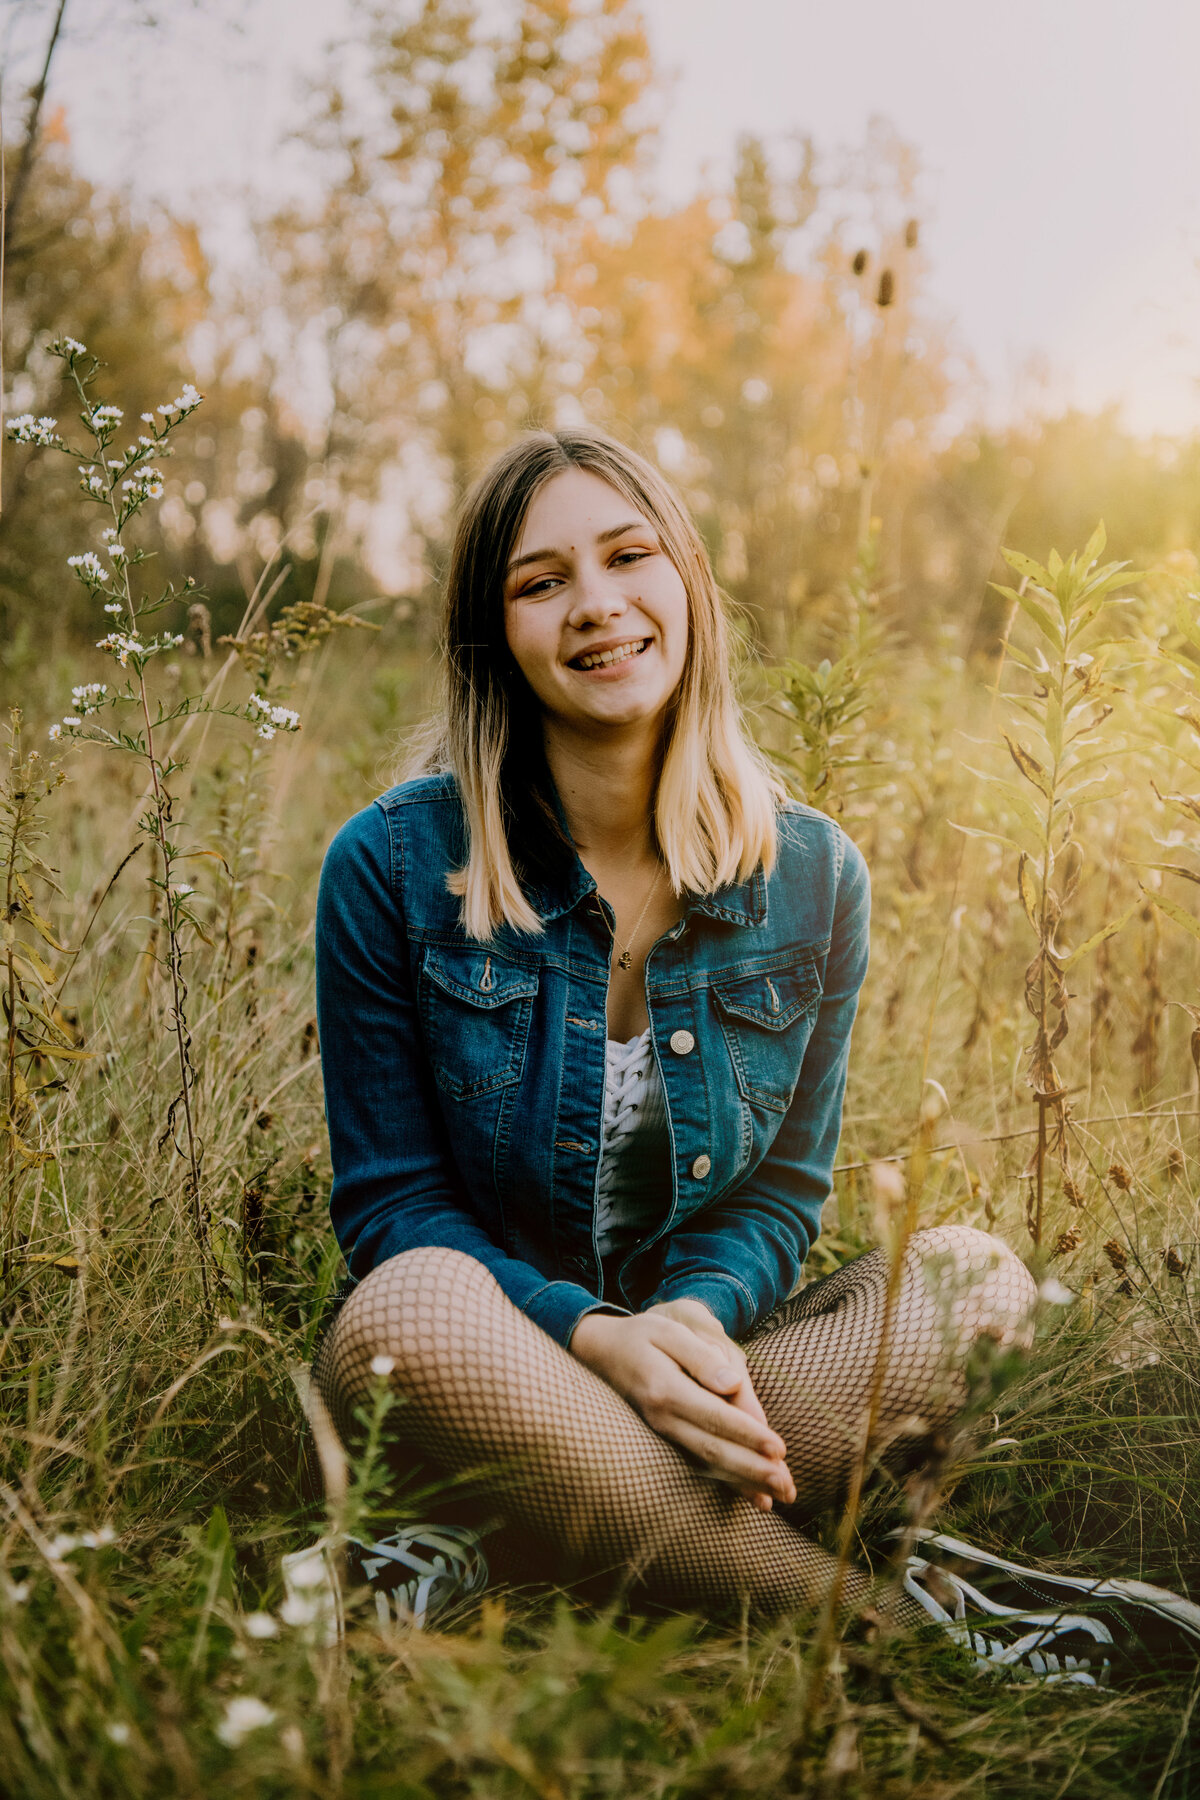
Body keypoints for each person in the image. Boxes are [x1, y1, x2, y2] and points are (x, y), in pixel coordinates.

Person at [311, 426, 1036, 1627]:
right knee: (403, 1312)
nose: (595, 605)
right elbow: (393, 1209)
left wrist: (687, 1323)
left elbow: (779, 1196)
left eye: (627, 557)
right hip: (484, 1351)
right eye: (542, 583)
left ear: (687, 579)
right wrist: (594, 1339)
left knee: (979, 1287)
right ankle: (890, 1623)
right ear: (497, 637)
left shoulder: (815, 877)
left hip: (720, 1363)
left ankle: (527, 1526)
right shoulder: (389, 865)